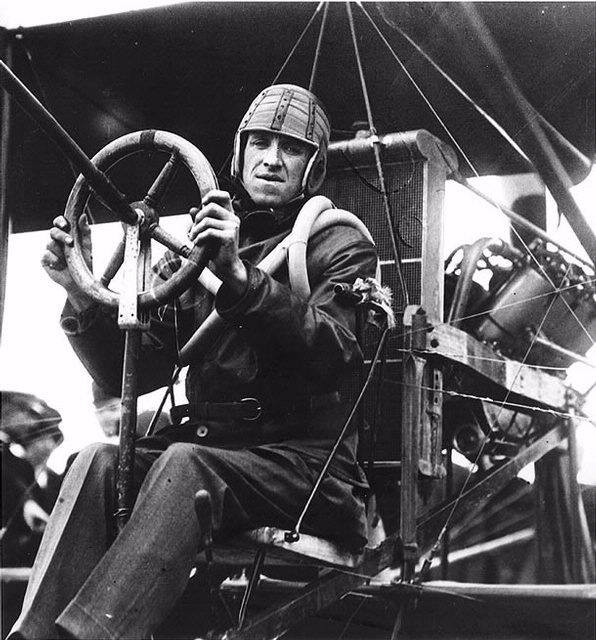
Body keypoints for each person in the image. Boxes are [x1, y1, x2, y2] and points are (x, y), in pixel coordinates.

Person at [9, 84, 378, 640]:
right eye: (260, 143)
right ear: (240, 152)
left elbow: (337, 354)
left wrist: (240, 278)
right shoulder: (201, 247)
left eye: (291, 148)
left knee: (185, 463)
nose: (271, 159)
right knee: (96, 461)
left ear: (315, 166)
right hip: (217, 450)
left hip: (304, 465)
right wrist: (80, 292)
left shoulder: (339, 244)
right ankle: (33, 634)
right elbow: (137, 373)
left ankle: (90, 637)